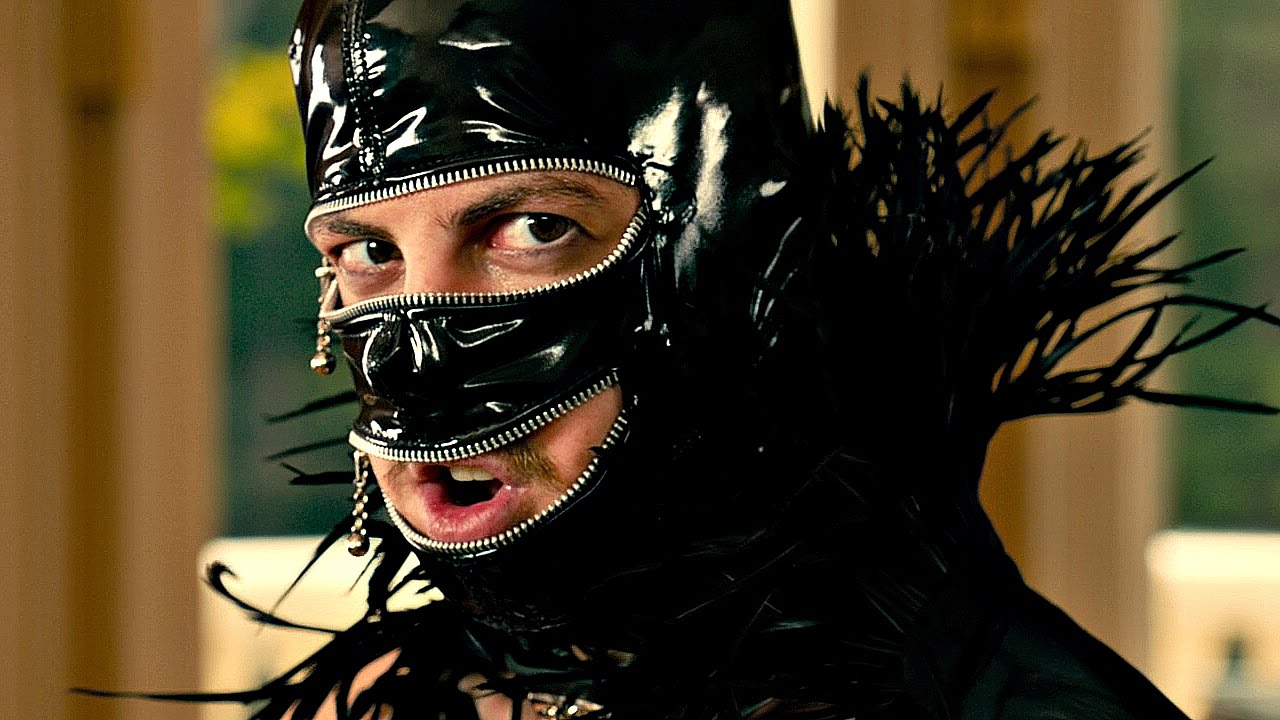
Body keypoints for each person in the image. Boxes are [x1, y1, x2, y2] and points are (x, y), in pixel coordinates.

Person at [206, 0, 1278, 718]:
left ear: (724, 246)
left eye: (532, 229)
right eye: (368, 253)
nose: (419, 362)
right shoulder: (403, 700)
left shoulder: (999, 698)